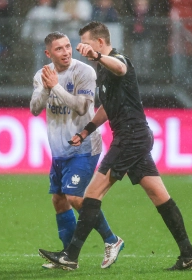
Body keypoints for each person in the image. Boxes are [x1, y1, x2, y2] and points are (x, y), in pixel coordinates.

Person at [38, 21, 192, 271]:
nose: (81, 49)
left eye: (86, 43)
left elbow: (122, 67)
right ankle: (189, 254)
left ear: (100, 42)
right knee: (159, 196)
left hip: (130, 138)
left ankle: (71, 256)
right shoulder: (102, 70)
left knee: (91, 194)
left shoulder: (116, 60)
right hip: (132, 138)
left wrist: (97, 56)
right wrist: (86, 131)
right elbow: (107, 107)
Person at [30, 31, 124, 269]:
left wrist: (56, 88)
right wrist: (45, 87)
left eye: (67, 46)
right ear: (48, 53)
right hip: (59, 150)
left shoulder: (84, 72)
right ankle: (67, 256)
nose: (66, 52)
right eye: (59, 49)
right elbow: (34, 109)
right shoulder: (42, 76)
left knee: (75, 197)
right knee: (59, 200)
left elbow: (83, 107)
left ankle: (112, 240)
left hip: (84, 146)